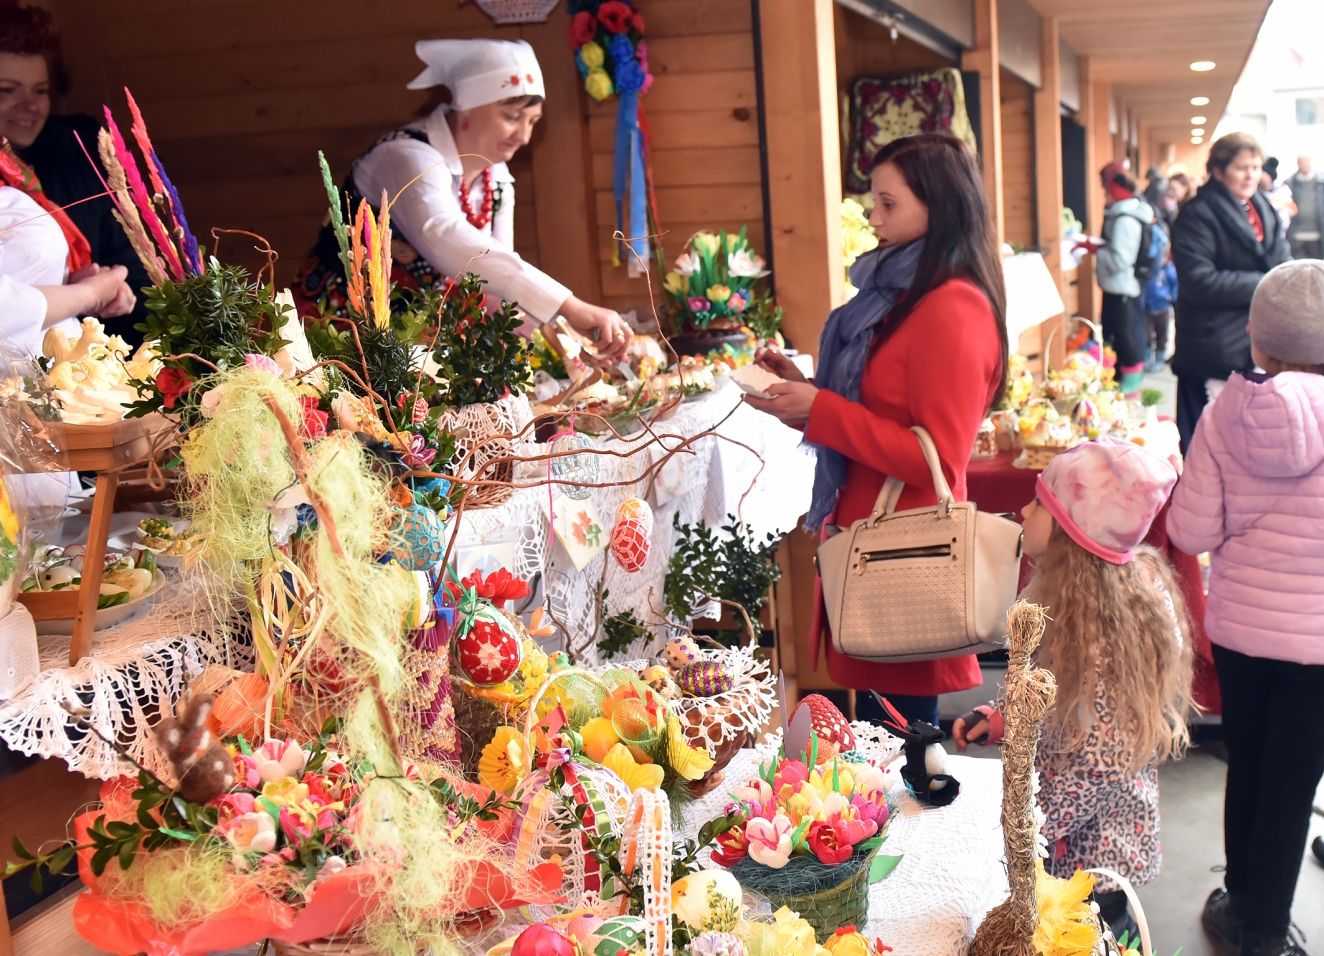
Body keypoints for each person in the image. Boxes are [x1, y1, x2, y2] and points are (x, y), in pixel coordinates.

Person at [743, 133, 1008, 727]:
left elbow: (938, 456)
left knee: (903, 755)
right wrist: (811, 389)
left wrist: (822, 411)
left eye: (889, 204)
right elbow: (887, 407)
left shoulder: (952, 306)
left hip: (909, 556)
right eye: (874, 202)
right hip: (876, 546)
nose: (873, 216)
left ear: (936, 210)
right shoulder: (904, 294)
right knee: (883, 763)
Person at [952, 439, 1193, 941]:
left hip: (1093, 860)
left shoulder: (1106, 637)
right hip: (1059, 834)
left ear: (1070, 532)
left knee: (1083, 940)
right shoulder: (1078, 602)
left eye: (1039, 502)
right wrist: (1003, 717)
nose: (1023, 509)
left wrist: (1030, 822)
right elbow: (1052, 687)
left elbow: (1105, 757)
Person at [1168, 259, 1324, 956]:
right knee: (1295, 782)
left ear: (1256, 340)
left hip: (1242, 631)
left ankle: (1239, 901)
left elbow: (1191, 533)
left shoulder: (1223, 413)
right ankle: (1267, 932)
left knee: (1250, 766)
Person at [293, 38, 628, 363]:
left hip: (409, 346)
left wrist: (565, 339)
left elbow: (497, 284)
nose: (524, 136)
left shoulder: (495, 176)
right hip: (336, 334)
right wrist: (570, 306)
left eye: (533, 122)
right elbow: (447, 237)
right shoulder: (407, 156)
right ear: (467, 107)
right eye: (511, 116)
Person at [0, 4, 150, 342]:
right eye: (7, 90)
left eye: (40, 90)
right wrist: (88, 293)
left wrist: (107, 289)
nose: (30, 105)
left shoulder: (74, 154)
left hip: (88, 354)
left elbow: (130, 264)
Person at [1170, 132, 1289, 452]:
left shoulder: (1261, 205)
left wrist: (1282, 278)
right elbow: (1198, 281)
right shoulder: (1197, 213)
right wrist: (1267, 282)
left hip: (1256, 338)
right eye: (1241, 167)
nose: (1251, 174)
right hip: (1212, 342)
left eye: (1255, 166)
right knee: (1208, 444)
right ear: (1219, 171)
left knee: (1248, 442)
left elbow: (1281, 259)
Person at [1079, 162, 1160, 396]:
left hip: (1124, 287)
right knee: (1122, 332)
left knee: (1127, 335)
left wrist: (1096, 251)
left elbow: (1120, 260)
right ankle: (1123, 377)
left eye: (1106, 187)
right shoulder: (1127, 213)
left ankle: (1131, 383)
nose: (1104, 192)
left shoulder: (1125, 220)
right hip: (1120, 287)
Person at [1144, 247, 1178, 372]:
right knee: (1147, 334)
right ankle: (1146, 357)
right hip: (1148, 308)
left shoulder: (1170, 271)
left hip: (1163, 308)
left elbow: (1175, 287)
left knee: (1162, 334)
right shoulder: (1149, 270)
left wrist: (1171, 299)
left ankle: (1159, 359)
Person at [1287, 154, 1324, 260]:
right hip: (1296, 236)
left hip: (1318, 236)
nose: (1305, 164)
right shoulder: (1290, 183)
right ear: (1298, 163)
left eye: (1307, 161)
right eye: (1302, 161)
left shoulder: (1321, 183)